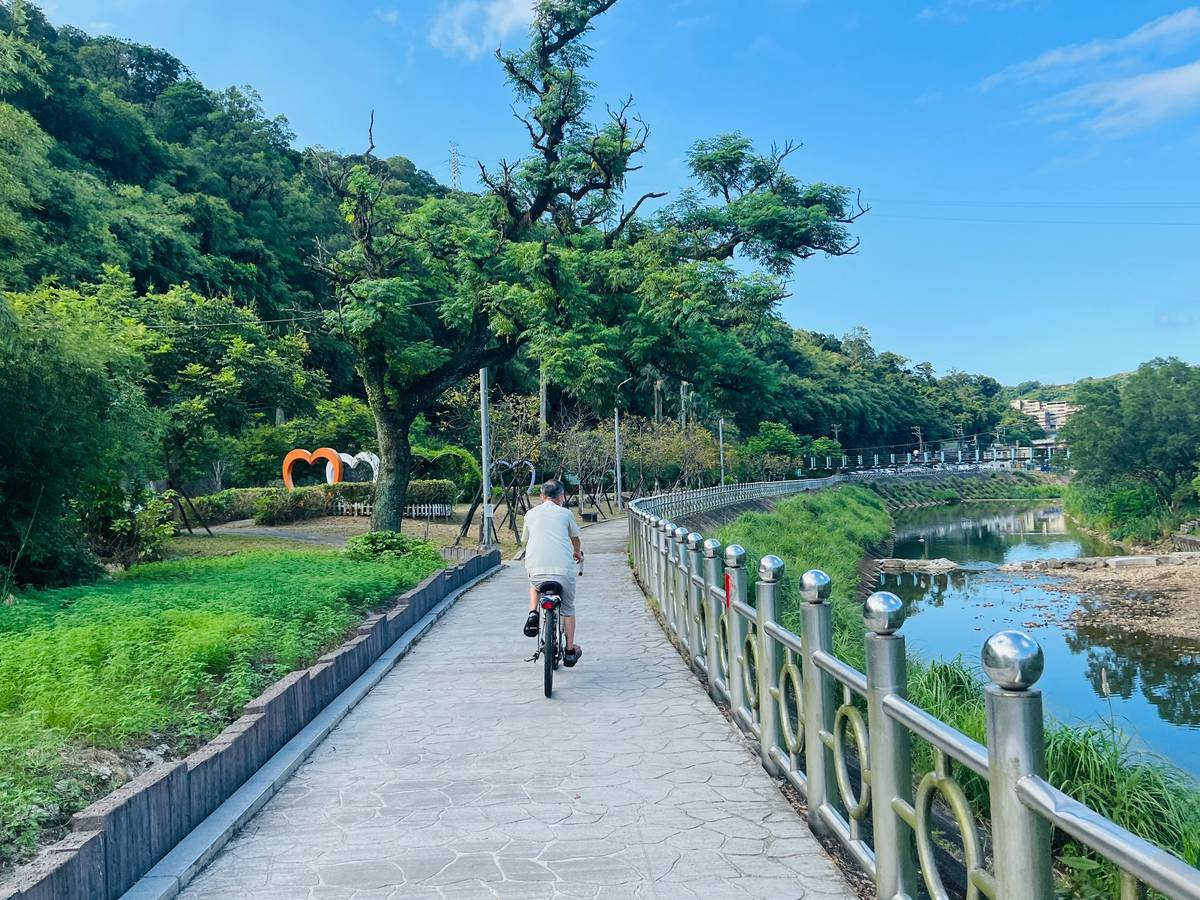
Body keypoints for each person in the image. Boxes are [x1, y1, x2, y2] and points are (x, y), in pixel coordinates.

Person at [521, 478, 584, 666]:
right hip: (563, 572)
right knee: (568, 609)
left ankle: (533, 612)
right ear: (561, 497)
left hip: (537, 572)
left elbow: (526, 539)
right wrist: (577, 553)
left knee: (533, 585)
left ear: (541, 496)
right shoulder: (565, 514)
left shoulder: (530, 514)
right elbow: (575, 538)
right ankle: (570, 650)